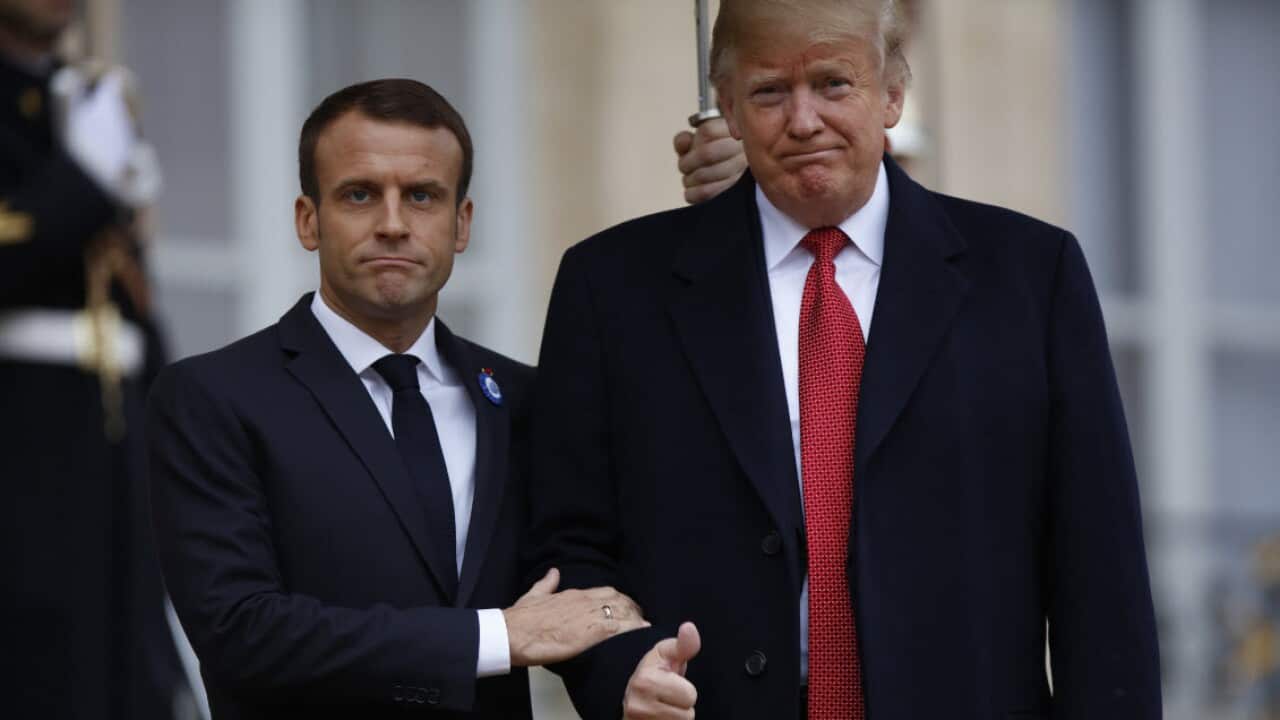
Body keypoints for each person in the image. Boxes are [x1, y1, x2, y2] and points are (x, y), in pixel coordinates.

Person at [527, 0, 1162, 717]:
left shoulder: (1029, 276)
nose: (803, 121)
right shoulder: (612, 287)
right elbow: (568, 542)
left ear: (892, 93)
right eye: (769, 91)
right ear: (727, 108)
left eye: (834, 84)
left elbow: (1098, 571)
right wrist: (618, 670)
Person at [147, 79, 647, 720]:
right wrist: (496, 637)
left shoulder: (523, 398)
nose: (391, 224)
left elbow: (582, 571)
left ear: (461, 223)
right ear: (308, 219)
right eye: (359, 194)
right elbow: (240, 632)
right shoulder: (211, 398)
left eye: (421, 196)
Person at [0, 0, 185, 717]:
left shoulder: (80, 96)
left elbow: (129, 309)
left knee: (129, 672)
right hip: (19, 452)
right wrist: (83, 178)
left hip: (109, 453)